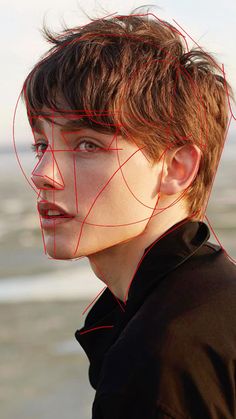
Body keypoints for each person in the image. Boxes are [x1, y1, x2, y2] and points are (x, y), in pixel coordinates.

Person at [20, 10, 236, 419]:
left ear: (176, 168)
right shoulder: (213, 297)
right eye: (41, 146)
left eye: (86, 144)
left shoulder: (163, 355)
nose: (42, 174)